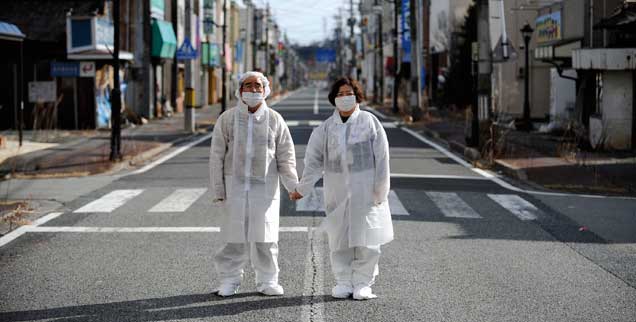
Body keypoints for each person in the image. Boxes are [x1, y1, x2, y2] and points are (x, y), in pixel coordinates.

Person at [291, 77, 393, 300]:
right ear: (333, 99)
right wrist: (302, 188)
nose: (345, 98)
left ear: (357, 96)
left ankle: (364, 282)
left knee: (368, 240)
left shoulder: (370, 122)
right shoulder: (325, 129)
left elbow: (382, 158)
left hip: (366, 192)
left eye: (349, 93)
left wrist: (380, 189)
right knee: (339, 239)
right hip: (336, 191)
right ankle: (344, 281)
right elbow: (313, 162)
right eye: (340, 94)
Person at [209, 71, 299, 297]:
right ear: (240, 91)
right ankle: (229, 280)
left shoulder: (275, 119)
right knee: (232, 236)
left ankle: (268, 280)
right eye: (247, 85)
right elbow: (216, 156)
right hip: (234, 186)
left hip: (265, 187)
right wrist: (219, 189)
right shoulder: (227, 119)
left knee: (265, 237)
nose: (253, 89)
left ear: (265, 89)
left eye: (257, 85)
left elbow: (285, 156)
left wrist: (293, 186)